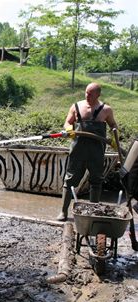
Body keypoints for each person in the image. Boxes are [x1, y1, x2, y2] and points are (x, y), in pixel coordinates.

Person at [56, 82, 118, 221]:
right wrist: (68, 129)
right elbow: (67, 122)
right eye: (86, 93)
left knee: (96, 180)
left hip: (96, 151)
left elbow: (113, 125)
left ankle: (92, 213)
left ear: (98, 94)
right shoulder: (76, 106)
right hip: (78, 149)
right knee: (70, 179)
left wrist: (114, 137)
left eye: (91, 94)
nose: (87, 96)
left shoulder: (106, 110)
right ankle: (63, 212)